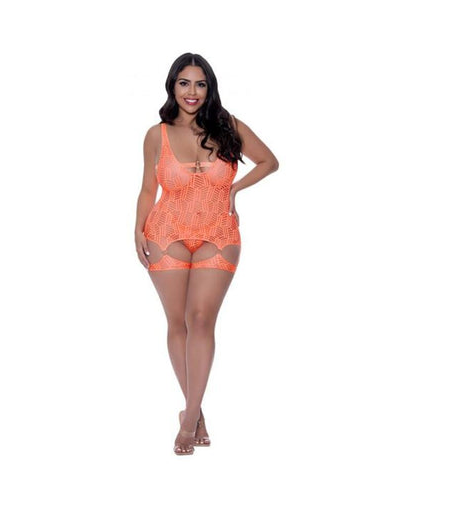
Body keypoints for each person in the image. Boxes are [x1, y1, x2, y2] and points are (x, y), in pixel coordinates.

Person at [134, 53, 278, 455]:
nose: (192, 92)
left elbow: (270, 161)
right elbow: (147, 188)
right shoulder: (157, 134)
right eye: (184, 83)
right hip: (166, 232)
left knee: (200, 319)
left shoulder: (228, 125)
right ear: (172, 86)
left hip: (219, 232)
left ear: (209, 88)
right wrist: (137, 229)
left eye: (200, 84)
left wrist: (235, 189)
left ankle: (189, 417)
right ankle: (195, 411)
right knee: (177, 322)